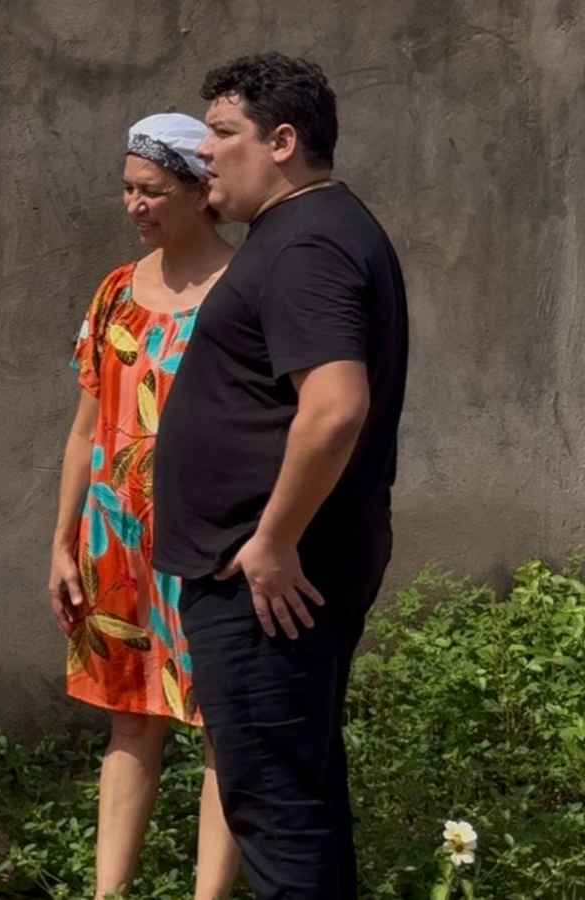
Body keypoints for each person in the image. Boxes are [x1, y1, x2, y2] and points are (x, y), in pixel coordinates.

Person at [152, 53, 410, 899]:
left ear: (283, 141)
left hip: (267, 587)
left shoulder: (308, 243)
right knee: (299, 805)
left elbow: (334, 408)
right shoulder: (308, 232)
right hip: (271, 578)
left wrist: (272, 541)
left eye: (222, 133)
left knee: (278, 816)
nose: (203, 152)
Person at [49, 113, 241, 900]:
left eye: (152, 190)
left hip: (209, 542)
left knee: (223, 727)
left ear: (201, 191)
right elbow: (85, 429)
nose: (134, 204)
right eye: (128, 188)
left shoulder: (243, 292)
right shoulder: (114, 291)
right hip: (115, 542)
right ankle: (109, 894)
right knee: (129, 717)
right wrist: (63, 542)